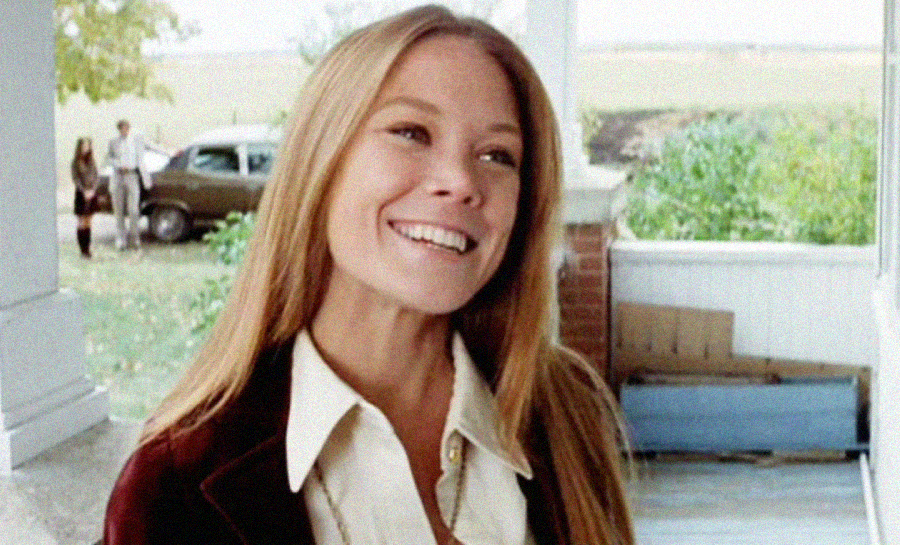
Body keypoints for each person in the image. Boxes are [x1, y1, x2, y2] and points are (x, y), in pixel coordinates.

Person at [104, 6, 635, 545]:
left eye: (498, 154)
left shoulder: (567, 414)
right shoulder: (176, 485)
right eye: (411, 132)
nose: (460, 181)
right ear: (320, 161)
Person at [106, 119, 159, 250]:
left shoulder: (138, 139)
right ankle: (120, 239)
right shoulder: (113, 141)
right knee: (118, 210)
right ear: (119, 129)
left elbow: (153, 146)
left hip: (132, 176)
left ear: (129, 128)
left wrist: (171, 152)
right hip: (118, 177)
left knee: (133, 210)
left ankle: (135, 238)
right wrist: (119, 165)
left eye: (126, 128)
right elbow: (108, 158)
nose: (124, 131)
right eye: (122, 129)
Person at [71, 137, 98, 258]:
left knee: (88, 222)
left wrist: (92, 190)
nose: (86, 147)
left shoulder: (92, 160)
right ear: (80, 146)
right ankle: (82, 250)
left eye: (88, 145)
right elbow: (75, 179)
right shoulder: (76, 161)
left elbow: (97, 176)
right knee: (81, 222)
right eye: (84, 145)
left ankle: (87, 250)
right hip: (81, 194)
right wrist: (84, 192)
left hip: (92, 193)